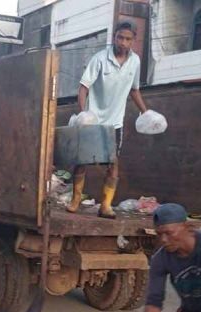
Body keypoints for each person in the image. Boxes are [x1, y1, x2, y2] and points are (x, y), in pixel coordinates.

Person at [67, 20, 148, 219]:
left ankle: (106, 205)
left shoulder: (135, 62)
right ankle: (76, 199)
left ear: (133, 41)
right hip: (93, 119)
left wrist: (145, 112)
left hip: (115, 123)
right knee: (82, 160)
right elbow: (83, 87)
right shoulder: (100, 59)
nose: (123, 42)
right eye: (120, 37)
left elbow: (134, 89)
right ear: (114, 38)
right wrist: (83, 113)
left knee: (113, 163)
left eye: (128, 39)